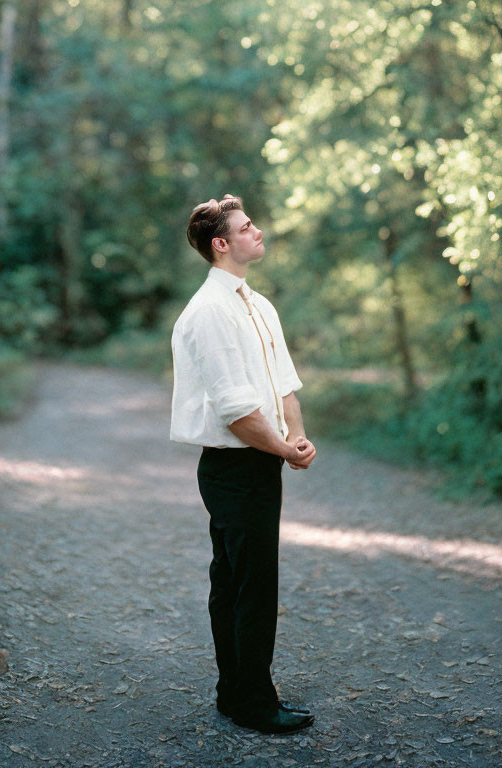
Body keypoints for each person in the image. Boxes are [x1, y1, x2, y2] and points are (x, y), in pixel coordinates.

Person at [170, 194, 317, 734]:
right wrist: (282, 449)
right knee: (247, 586)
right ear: (221, 244)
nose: (258, 231)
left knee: (239, 582)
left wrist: (296, 439)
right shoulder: (209, 312)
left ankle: (235, 692)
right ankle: (253, 701)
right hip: (234, 467)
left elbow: (284, 387)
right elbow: (235, 412)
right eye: (246, 226)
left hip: (263, 462)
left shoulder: (258, 305)